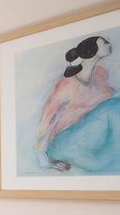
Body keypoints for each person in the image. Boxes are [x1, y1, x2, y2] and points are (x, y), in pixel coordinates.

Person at [35, 36, 114, 171]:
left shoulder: (100, 74)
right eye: (104, 43)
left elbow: (106, 99)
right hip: (65, 139)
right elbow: (47, 119)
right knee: (114, 107)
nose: (109, 44)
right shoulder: (66, 85)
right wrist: (43, 158)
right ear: (91, 51)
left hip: (91, 134)